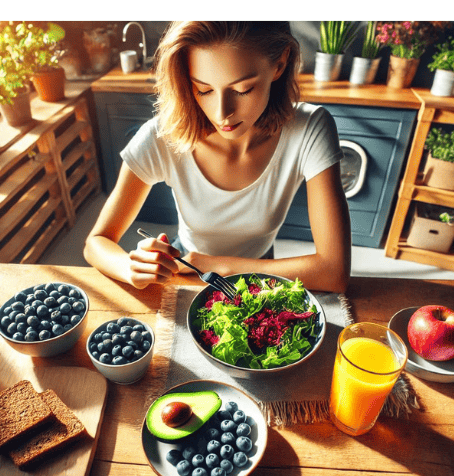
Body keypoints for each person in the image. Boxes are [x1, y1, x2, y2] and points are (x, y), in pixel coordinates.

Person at [84, 21, 351, 293]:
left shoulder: (310, 129)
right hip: (186, 271)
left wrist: (214, 265)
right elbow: (96, 242)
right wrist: (130, 268)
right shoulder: (162, 135)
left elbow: (334, 272)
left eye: (242, 89)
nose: (222, 112)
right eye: (204, 89)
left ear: (279, 64)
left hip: (261, 273)